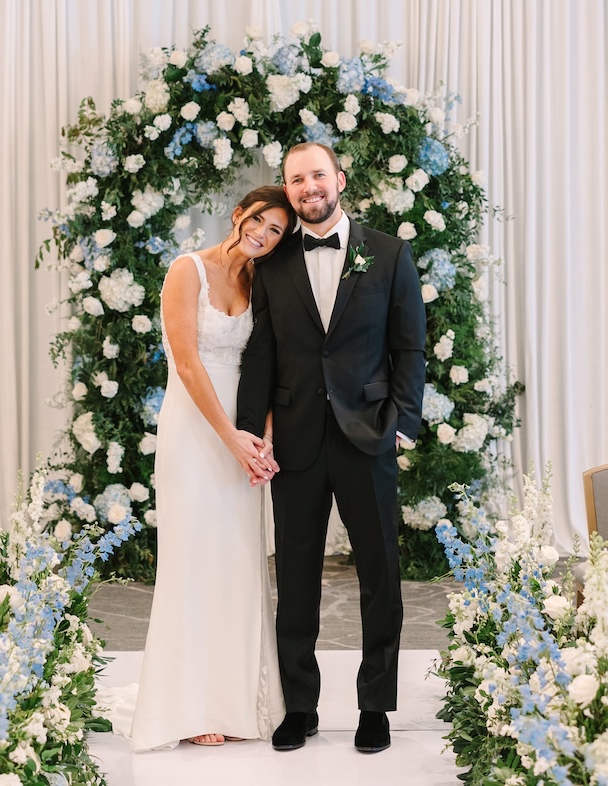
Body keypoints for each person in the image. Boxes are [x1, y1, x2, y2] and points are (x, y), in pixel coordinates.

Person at [236, 143, 427, 754]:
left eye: (317, 174)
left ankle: (375, 707)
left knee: (380, 574)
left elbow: (409, 347)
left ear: (339, 179)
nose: (308, 186)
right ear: (287, 189)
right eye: (296, 179)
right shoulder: (272, 261)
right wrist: (250, 432)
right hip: (294, 441)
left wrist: (403, 425)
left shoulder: (389, 253)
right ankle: (300, 706)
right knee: (295, 576)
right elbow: (260, 352)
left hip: (368, 435)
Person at [114, 186, 297, 750]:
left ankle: (237, 699)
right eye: (259, 220)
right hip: (196, 430)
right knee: (193, 561)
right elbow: (188, 363)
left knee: (237, 562)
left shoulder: (261, 283)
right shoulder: (186, 270)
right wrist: (230, 438)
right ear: (239, 214)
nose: (262, 234)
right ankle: (190, 705)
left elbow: (270, 364)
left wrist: (262, 438)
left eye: (275, 231)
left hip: (245, 432)